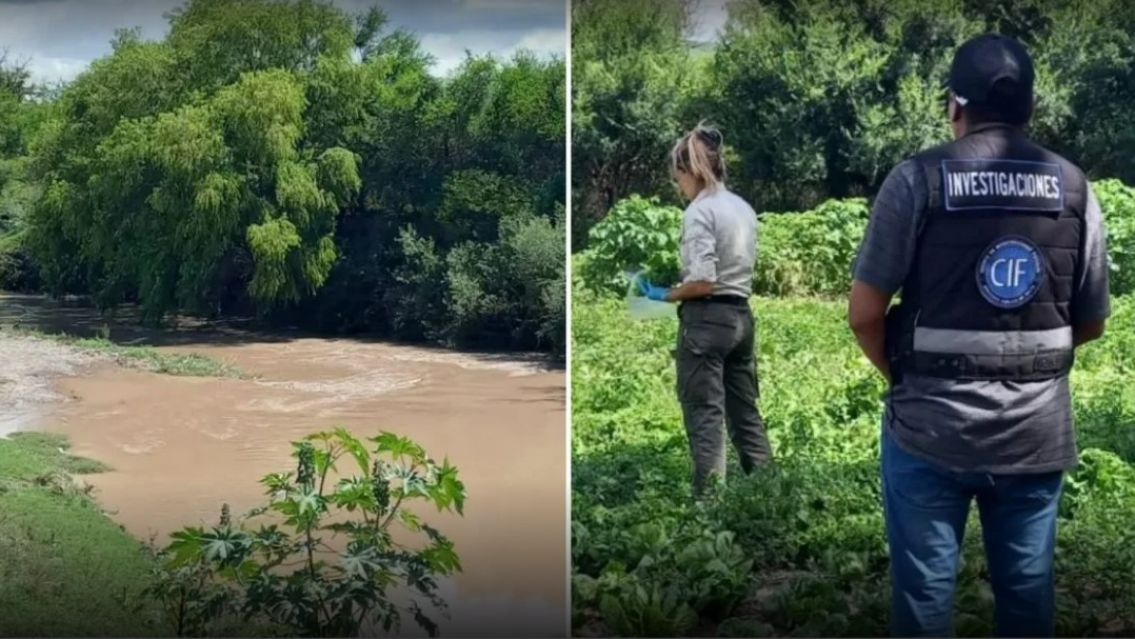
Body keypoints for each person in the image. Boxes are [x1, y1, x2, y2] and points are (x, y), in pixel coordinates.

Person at [848, 33, 1110, 637]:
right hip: (1035, 433)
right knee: (1027, 598)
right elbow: (1091, 321)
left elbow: (864, 314)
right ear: (1031, 107)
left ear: (953, 105)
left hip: (928, 429)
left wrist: (902, 374)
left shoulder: (917, 179)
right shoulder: (1073, 187)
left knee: (924, 602)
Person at [638, 123, 773, 497]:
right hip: (741, 318)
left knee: (705, 416)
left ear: (691, 170)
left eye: (677, 177)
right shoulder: (742, 208)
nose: (678, 186)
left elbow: (703, 282)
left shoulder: (699, 212)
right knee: (745, 413)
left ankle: (708, 508)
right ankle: (769, 494)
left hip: (706, 322)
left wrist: (666, 295)